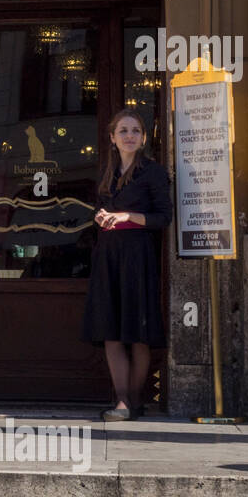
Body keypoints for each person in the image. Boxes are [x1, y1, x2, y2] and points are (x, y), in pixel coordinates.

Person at [80, 109, 172, 420]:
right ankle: (121, 400)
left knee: (138, 331)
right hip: (109, 254)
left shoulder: (154, 173)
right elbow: (99, 209)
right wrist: (101, 216)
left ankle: (134, 401)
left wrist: (128, 216)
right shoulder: (107, 173)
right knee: (112, 330)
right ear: (112, 137)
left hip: (138, 255)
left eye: (135, 130)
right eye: (123, 130)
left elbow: (164, 218)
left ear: (144, 138)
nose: (129, 135)